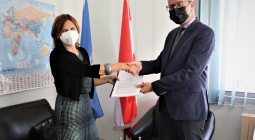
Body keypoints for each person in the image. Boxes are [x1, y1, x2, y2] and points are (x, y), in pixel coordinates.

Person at [128, 0, 215, 140]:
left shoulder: (205, 33)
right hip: (167, 107)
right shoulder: (173, 34)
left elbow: (190, 73)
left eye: (179, 4)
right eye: (171, 6)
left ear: (191, 5)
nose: (175, 9)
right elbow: (160, 63)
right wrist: (141, 66)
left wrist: (153, 86)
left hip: (189, 109)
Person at [50, 14, 138, 140]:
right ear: (58, 35)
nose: (70, 32)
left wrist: (106, 80)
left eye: (72, 29)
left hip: (85, 106)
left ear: (77, 30)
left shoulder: (82, 52)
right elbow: (88, 70)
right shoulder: (58, 55)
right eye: (64, 30)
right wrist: (122, 66)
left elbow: (86, 79)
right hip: (69, 108)